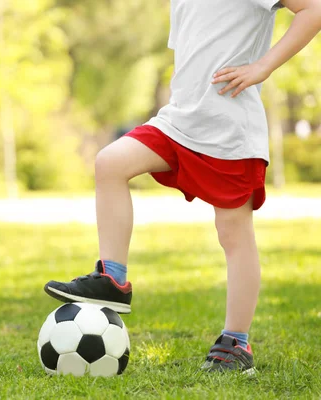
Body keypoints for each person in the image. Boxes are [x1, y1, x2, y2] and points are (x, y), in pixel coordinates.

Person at [44, 0, 321, 373]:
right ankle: (113, 280)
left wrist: (262, 67)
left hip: (228, 127)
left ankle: (236, 343)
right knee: (111, 162)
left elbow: (314, 10)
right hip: (180, 121)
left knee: (233, 233)